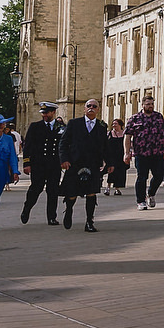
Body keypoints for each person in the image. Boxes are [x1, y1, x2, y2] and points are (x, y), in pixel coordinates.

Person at [58, 98, 111, 232]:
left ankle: (89, 221)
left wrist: (109, 163)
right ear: (84, 108)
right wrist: (64, 159)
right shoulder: (74, 123)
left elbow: (105, 147)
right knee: (71, 193)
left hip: (93, 164)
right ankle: (69, 210)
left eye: (94, 106)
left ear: (98, 110)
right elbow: (63, 143)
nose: (91, 108)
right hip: (74, 163)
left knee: (91, 193)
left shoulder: (102, 126)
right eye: (89, 106)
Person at [21, 102, 64, 225]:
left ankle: (51, 217)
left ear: (53, 113)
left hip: (54, 165)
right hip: (38, 164)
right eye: (42, 113)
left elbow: (64, 146)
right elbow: (27, 146)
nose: (44, 115)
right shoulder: (35, 126)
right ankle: (27, 208)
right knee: (36, 189)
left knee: (53, 190)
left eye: (46, 112)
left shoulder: (61, 127)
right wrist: (26, 164)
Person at [124, 95, 164, 210]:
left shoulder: (159, 117)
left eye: (152, 104)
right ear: (143, 105)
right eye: (148, 104)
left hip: (157, 152)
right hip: (141, 153)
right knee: (142, 177)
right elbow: (128, 136)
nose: (150, 106)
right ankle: (140, 201)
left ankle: (151, 193)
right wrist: (126, 152)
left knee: (159, 176)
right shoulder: (134, 118)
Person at [104, 118, 128, 196]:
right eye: (113, 124)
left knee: (120, 172)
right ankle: (108, 187)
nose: (114, 125)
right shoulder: (109, 134)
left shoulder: (124, 134)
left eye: (115, 124)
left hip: (121, 155)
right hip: (111, 155)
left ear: (120, 125)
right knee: (111, 172)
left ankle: (117, 189)